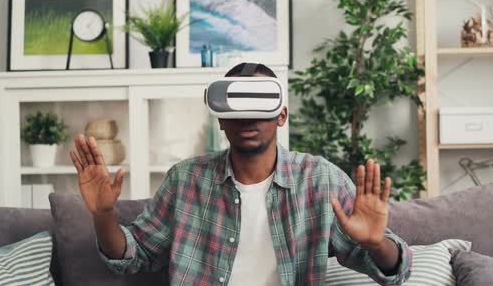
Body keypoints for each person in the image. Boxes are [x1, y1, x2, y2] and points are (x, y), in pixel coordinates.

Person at [69, 63, 412, 285]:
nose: (248, 118)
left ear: (281, 115)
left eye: (260, 105)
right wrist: (103, 214)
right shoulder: (185, 180)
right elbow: (132, 257)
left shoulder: (319, 179)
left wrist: (375, 242)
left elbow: (397, 272)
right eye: (236, 106)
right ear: (219, 116)